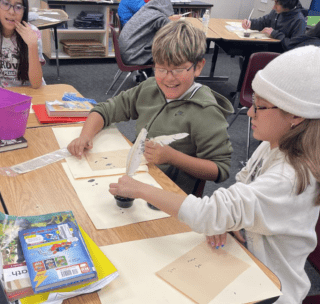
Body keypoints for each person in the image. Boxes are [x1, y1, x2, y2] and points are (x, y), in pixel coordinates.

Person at [109, 45, 320, 304]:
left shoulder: (291, 177)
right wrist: (232, 223)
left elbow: (212, 211)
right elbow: (241, 187)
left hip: (270, 298)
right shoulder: (274, 143)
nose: (249, 114)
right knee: (165, 293)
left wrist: (139, 189)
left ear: (294, 115)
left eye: (259, 107)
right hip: (246, 260)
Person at [68, 20, 233, 195]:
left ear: (198, 67)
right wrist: (85, 136)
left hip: (169, 194)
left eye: (178, 70)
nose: (168, 78)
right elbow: (105, 110)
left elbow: (220, 169)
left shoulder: (206, 111)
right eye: (161, 68)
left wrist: (172, 157)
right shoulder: (150, 87)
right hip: (138, 175)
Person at [119, 0, 182, 65]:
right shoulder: (157, 16)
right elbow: (172, 29)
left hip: (125, 52)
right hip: (133, 56)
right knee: (168, 53)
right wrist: (175, 20)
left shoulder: (145, 11)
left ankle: (145, 75)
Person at [242, 0, 306, 51]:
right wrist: (250, 23)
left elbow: (293, 46)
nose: (273, 7)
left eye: (276, 3)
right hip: (269, 46)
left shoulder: (299, 21)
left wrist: (274, 33)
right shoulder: (277, 12)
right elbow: (263, 22)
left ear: (286, 4)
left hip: (280, 54)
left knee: (251, 51)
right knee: (248, 46)